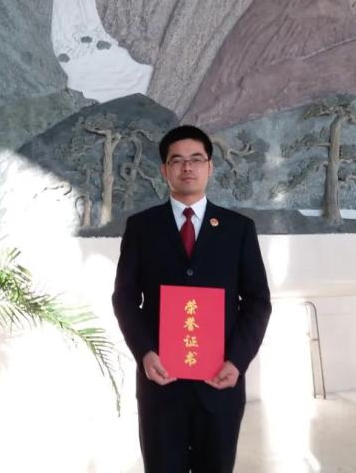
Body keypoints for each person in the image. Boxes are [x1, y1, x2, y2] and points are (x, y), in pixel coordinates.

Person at [112, 125, 272, 473]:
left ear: (210, 167)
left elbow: (257, 301)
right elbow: (125, 298)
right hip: (160, 382)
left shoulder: (238, 228)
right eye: (177, 160)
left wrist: (237, 360)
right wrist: (145, 352)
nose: (188, 167)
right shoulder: (141, 227)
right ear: (164, 170)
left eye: (196, 159)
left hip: (220, 381)